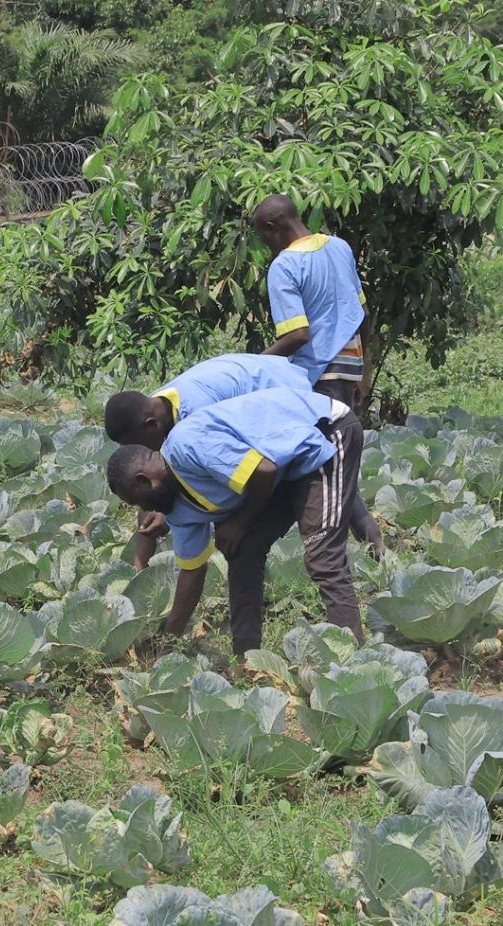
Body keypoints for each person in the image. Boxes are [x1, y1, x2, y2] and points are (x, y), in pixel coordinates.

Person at [105, 387, 364, 658]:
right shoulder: (176, 509)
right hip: (284, 464)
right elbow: (191, 574)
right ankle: (246, 658)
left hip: (323, 433)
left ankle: (351, 660)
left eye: (138, 501)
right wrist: (167, 647)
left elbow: (264, 471)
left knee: (323, 556)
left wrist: (239, 522)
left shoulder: (186, 445)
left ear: (143, 480)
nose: (145, 510)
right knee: (243, 548)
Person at [252, 194, 385, 558]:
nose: (266, 246)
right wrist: (365, 372)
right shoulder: (339, 247)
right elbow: (362, 313)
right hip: (349, 364)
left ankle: (369, 548)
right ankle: (371, 547)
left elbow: (298, 335)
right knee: (333, 459)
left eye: (263, 238)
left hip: (318, 373)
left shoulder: (285, 266)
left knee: (329, 463)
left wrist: (253, 365)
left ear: (271, 228)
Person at [103, 353, 313, 570]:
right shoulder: (153, 412)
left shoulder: (196, 422)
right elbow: (148, 488)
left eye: (139, 445)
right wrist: (139, 569)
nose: (140, 451)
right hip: (264, 438)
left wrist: (240, 522)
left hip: (295, 399)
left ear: (151, 425)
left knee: (243, 529)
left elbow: (260, 469)